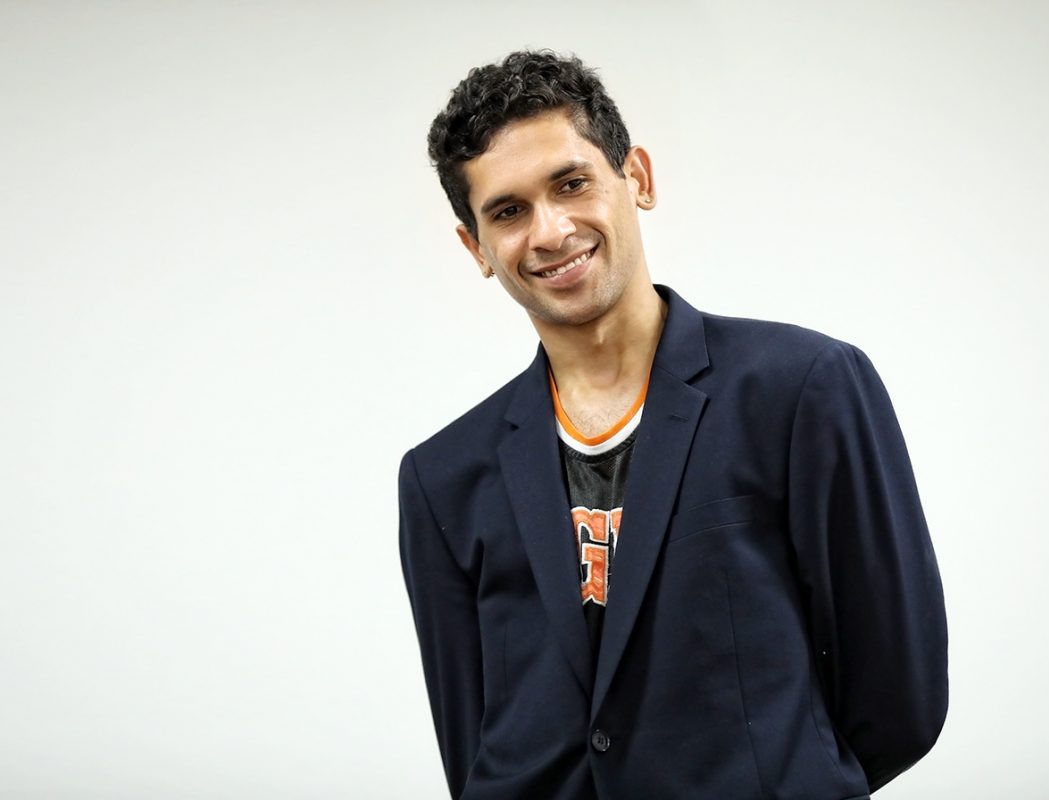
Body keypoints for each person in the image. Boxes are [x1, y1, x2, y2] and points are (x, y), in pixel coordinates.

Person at [398, 50, 948, 800]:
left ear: (638, 179)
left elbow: (899, 695)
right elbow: (470, 738)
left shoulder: (801, 389)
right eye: (508, 211)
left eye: (571, 184)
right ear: (478, 249)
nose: (550, 231)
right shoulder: (441, 477)